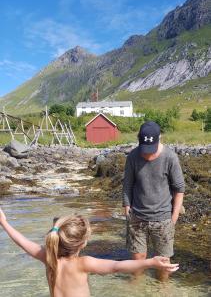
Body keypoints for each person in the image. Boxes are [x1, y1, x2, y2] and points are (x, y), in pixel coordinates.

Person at [0, 208, 179, 297]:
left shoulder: (49, 257)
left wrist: (5, 223)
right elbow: (117, 267)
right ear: (83, 243)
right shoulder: (83, 263)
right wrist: (150, 262)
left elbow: (23, 242)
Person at [123, 121, 185, 281]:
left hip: (163, 219)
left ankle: (162, 290)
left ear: (159, 139)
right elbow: (128, 184)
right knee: (138, 260)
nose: (147, 155)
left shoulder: (170, 157)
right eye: (145, 150)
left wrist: (174, 218)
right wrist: (127, 207)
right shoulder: (133, 156)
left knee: (163, 263)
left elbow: (179, 189)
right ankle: (136, 290)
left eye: (151, 151)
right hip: (137, 217)